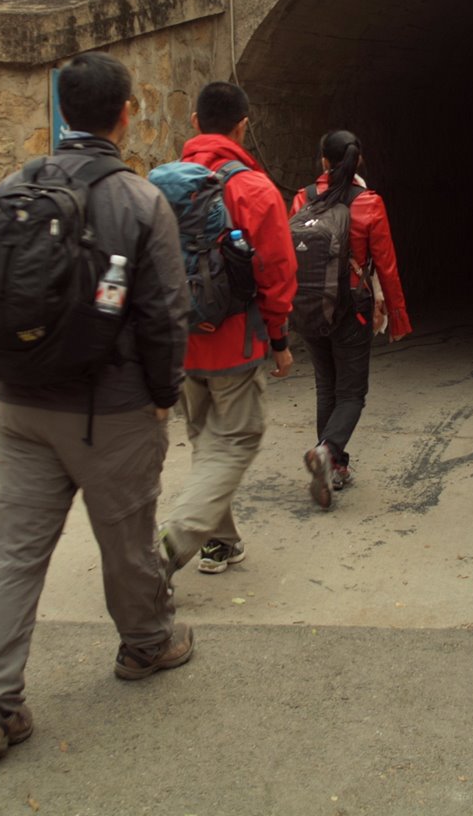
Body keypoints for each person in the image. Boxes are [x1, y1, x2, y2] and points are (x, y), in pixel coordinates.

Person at [0, 51, 193, 760]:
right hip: (110, 411)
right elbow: (165, 313)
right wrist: (163, 396)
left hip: (22, 406)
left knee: (11, 556)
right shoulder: (140, 201)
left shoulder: (11, 188)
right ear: (125, 113)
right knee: (126, 542)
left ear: (63, 109)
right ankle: (145, 644)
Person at [159, 81, 298, 577]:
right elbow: (278, 273)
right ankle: (173, 543)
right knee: (237, 439)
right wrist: (278, 339)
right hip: (234, 342)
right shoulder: (254, 189)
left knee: (206, 442)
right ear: (243, 126)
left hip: (181, 340)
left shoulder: (164, 188)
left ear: (195, 123)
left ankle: (221, 541)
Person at [290, 130, 411, 507]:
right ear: (358, 161)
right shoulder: (369, 202)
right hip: (352, 308)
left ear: (324, 161)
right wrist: (397, 315)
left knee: (326, 387)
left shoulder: (303, 198)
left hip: (311, 305)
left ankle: (335, 465)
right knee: (352, 393)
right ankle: (327, 452)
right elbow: (386, 265)